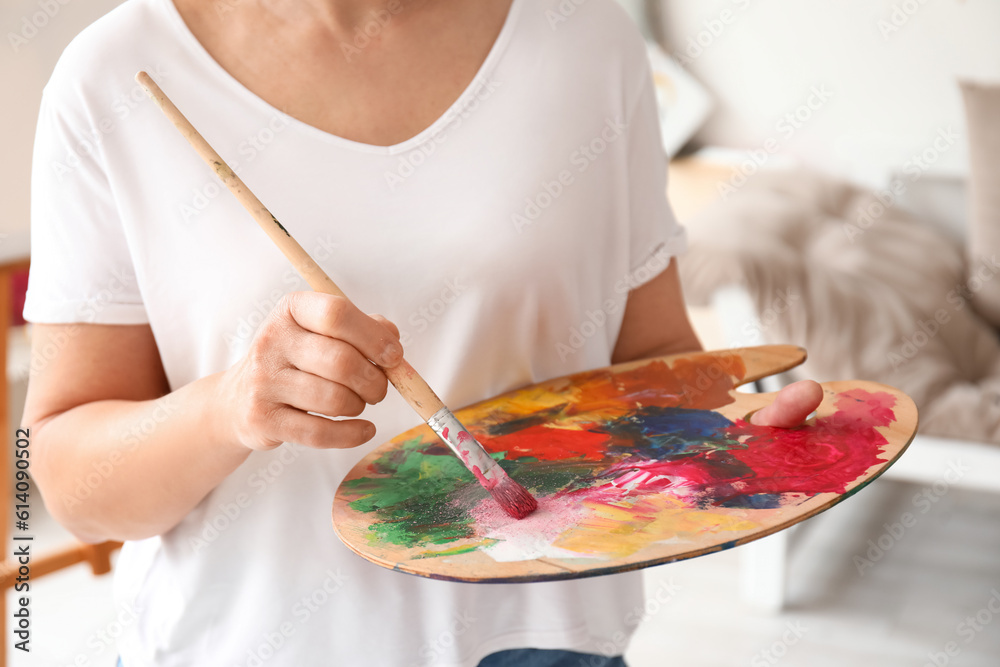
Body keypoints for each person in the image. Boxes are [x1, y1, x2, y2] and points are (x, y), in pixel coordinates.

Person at [21, 0, 822, 664]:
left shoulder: (585, 36)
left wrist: (719, 436)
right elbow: (68, 485)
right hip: (250, 641)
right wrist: (231, 406)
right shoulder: (114, 78)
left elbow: (651, 360)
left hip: (546, 636)